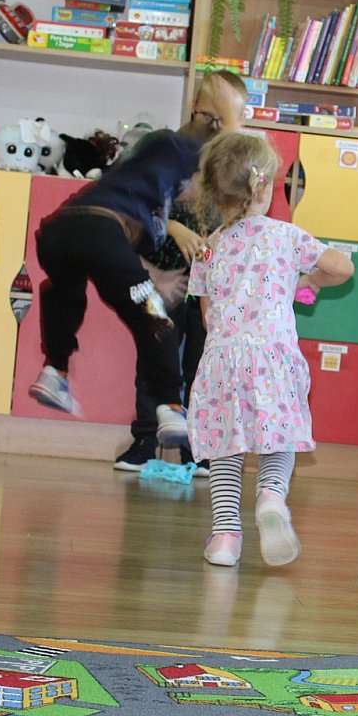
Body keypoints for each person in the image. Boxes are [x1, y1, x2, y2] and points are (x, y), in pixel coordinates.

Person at [187, 132, 353, 566]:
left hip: (222, 360)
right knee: (280, 437)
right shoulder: (285, 236)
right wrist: (309, 279)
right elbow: (342, 267)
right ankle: (271, 496)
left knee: (226, 448)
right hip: (272, 357)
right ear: (263, 188)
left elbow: (208, 317)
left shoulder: (208, 248)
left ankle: (226, 539)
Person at [26, 125, 202, 447]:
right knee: (155, 316)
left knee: (65, 294)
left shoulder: (120, 184)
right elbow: (107, 239)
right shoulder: (164, 171)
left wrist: (154, 278)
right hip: (100, 233)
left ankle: (55, 372)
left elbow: (117, 255)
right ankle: (171, 405)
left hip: (57, 234)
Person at [116, 71, 248, 472]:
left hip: (211, 286)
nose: (214, 128)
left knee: (202, 366)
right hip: (163, 274)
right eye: (209, 116)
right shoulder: (166, 148)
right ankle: (145, 438)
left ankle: (198, 447)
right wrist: (173, 226)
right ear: (194, 108)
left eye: (224, 120)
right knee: (155, 358)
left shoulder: (235, 161)